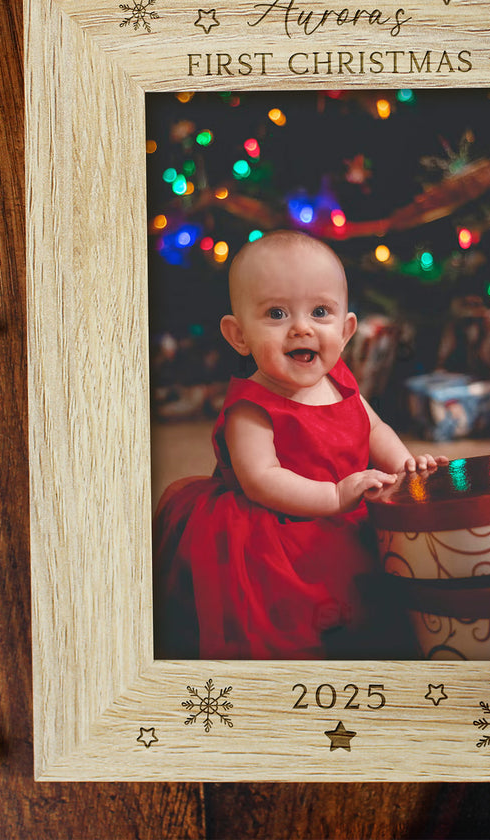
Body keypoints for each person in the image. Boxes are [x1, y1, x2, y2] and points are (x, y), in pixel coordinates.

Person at [153, 230, 446, 659]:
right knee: (298, 612)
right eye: (276, 313)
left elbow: (373, 428)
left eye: (320, 312)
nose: (302, 327)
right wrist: (334, 496)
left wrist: (405, 467)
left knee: (394, 575)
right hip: (280, 528)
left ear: (345, 330)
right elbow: (261, 479)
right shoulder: (250, 407)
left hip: (344, 505)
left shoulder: (340, 380)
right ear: (239, 335)